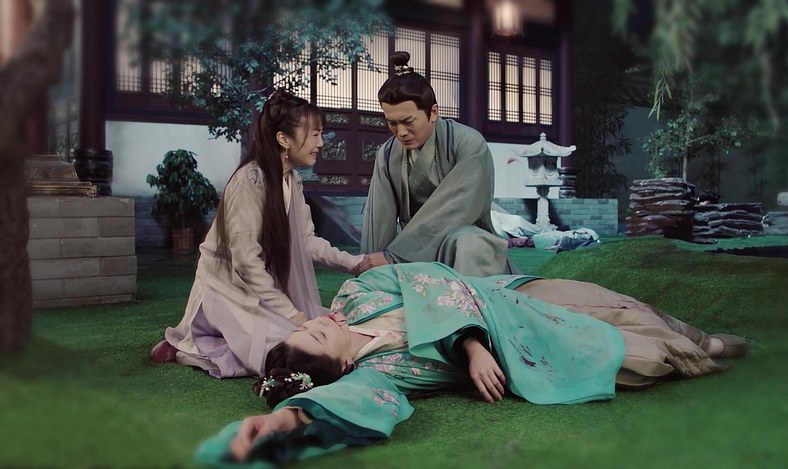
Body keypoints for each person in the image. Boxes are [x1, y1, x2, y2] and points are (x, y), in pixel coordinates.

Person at [194, 262, 749, 465]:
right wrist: (286, 418)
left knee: (606, 303)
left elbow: (429, 276)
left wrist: (470, 345)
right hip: (524, 351)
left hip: (503, 298)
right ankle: (699, 353)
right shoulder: (375, 374)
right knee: (630, 355)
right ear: (337, 367)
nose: (322, 321)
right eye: (318, 335)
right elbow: (351, 401)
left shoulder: (357, 294)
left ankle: (704, 339)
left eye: (311, 323)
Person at [149, 90, 367, 378]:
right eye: (314, 135)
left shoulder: (292, 180)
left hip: (260, 285)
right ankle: (190, 341)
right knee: (285, 349)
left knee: (320, 333)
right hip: (227, 286)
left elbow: (306, 242)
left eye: (321, 134)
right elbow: (245, 261)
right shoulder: (249, 180)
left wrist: (355, 263)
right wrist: (289, 312)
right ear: (284, 139)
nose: (321, 143)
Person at [356, 51, 514, 277]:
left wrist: (396, 256)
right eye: (392, 123)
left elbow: (457, 208)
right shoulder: (388, 153)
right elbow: (379, 217)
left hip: (460, 245)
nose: (401, 132)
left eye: (408, 122)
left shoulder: (467, 143)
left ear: (433, 112)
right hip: (408, 250)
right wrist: (371, 263)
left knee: (469, 242)